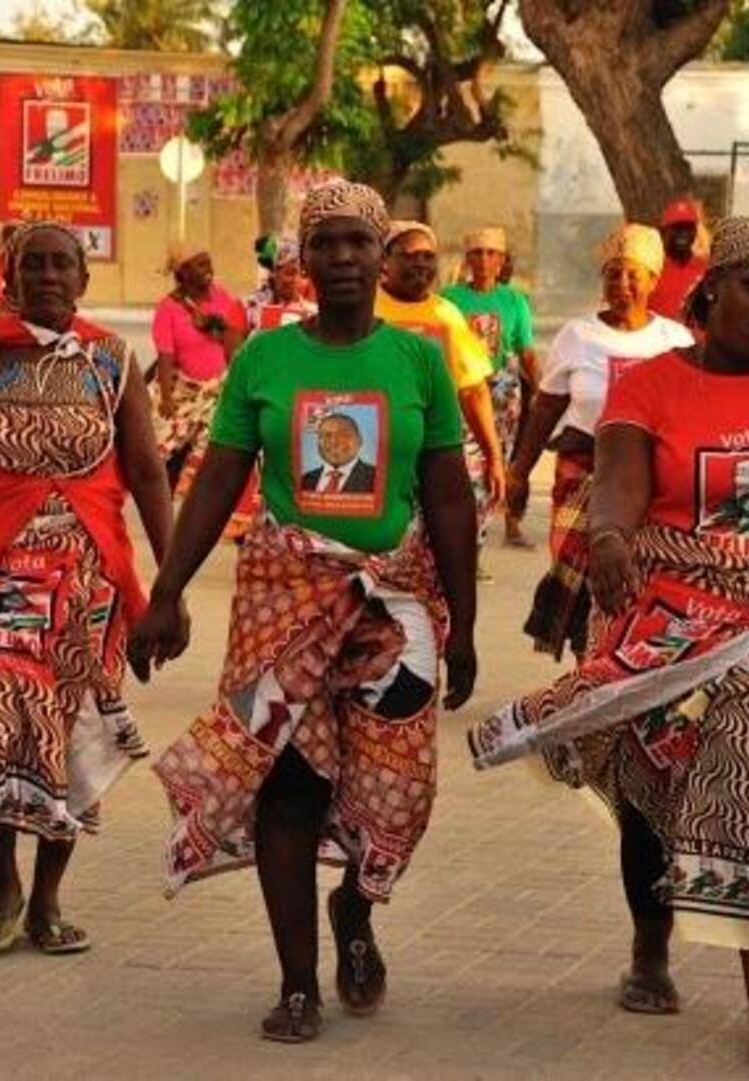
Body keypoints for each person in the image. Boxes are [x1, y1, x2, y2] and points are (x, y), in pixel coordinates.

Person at [467, 217, 749, 1075]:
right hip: (662, 620)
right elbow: (616, 483)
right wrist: (608, 537)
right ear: (711, 289)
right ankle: (651, 947)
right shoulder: (649, 385)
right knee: (651, 786)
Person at [129, 180, 479, 1044]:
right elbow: (217, 479)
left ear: (383, 254)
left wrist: (463, 622)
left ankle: (354, 910)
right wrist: (166, 590)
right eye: (326, 244)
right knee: (288, 784)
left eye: (360, 243)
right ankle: (297, 984)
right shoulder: (266, 358)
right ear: (304, 259)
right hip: (283, 592)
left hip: (393, 603)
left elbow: (446, 492)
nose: (344, 260)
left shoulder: (418, 359)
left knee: (401, 789)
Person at [0, 221, 174, 955]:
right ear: (8, 276)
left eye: (63, 264)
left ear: (83, 280)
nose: (49, 276)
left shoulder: (110, 361)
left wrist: (171, 583)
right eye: (34, 264)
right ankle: (1, 880)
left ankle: (50, 896)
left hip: (87, 570)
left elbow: (148, 471)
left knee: (66, 729)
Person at [508, 223, 695, 659]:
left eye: (634, 274)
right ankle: (586, 664)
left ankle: (634, 665)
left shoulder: (675, 341)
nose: (623, 284)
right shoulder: (576, 336)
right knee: (582, 580)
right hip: (582, 475)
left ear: (653, 279)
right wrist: (518, 471)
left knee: (646, 580)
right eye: (613, 274)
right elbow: (546, 410)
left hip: (653, 482)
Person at [373, 221, 505, 570]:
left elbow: (473, 389)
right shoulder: (367, 309)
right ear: (385, 259)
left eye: (428, 256)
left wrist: (494, 456)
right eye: (410, 255)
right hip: (377, 453)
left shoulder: (446, 316)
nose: (420, 264)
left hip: (434, 454)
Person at [442, 226, 541, 549]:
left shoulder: (514, 301)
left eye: (491, 253)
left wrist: (539, 390)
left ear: (501, 260)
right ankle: (465, 539)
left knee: (497, 462)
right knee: (465, 463)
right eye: (477, 253)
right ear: (468, 258)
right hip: (463, 392)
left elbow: (525, 350)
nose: (483, 260)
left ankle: (481, 538)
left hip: (502, 394)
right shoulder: (449, 299)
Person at [152, 240, 248, 489]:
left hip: (217, 391)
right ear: (183, 273)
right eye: (201, 264)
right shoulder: (168, 309)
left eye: (209, 262)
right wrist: (166, 398)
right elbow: (165, 356)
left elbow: (236, 341)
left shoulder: (221, 297)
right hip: (184, 391)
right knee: (168, 450)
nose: (209, 269)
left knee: (211, 457)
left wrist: (216, 324)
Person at [649, 197, 708, 321]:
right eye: (677, 227)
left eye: (688, 227)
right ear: (663, 231)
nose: (684, 233)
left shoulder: (708, 270)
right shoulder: (649, 269)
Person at [245, 235, 317, 332]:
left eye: (300, 274)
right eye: (289, 273)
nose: (295, 279)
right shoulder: (254, 307)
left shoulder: (312, 311)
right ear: (274, 273)